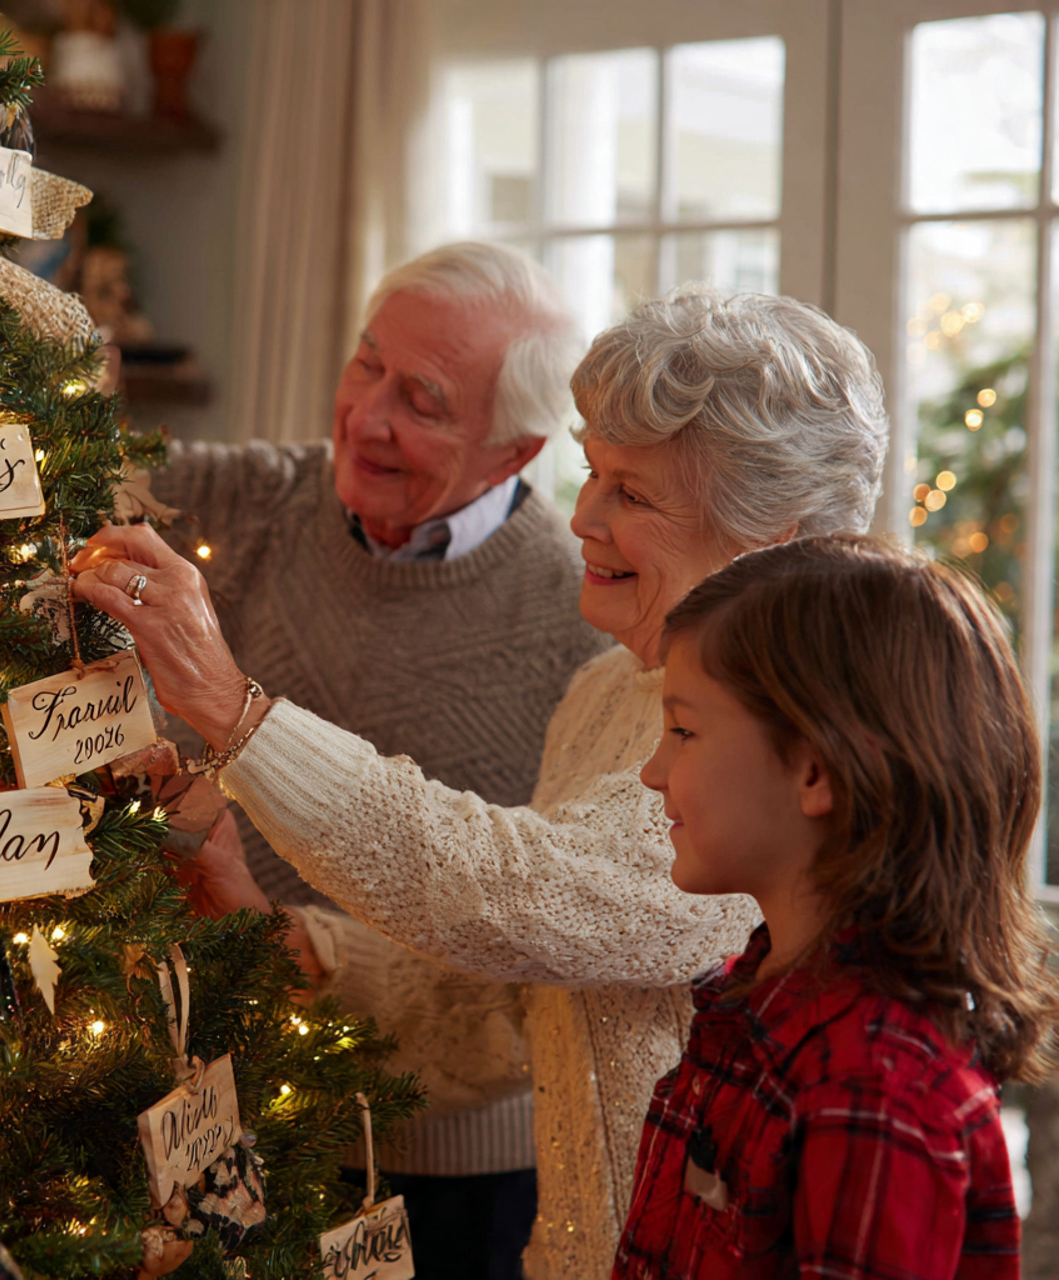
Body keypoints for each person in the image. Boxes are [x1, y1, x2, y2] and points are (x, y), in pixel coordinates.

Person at [71, 287, 890, 1278]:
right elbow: (505, 1005)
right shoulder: (604, 692)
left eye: (633, 496)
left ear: (773, 529)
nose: (581, 516)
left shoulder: (796, 735)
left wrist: (235, 712)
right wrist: (281, 937)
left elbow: (527, 890)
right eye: (593, 474)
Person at [146, 242, 612, 1280]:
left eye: (422, 400)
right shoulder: (262, 500)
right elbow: (86, 470)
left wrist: (301, 957)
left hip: (447, 1162)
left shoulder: (580, 624)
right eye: (366, 363)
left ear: (512, 450)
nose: (365, 416)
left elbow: (534, 938)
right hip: (220, 1108)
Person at [619, 535, 1059, 1278]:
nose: (652, 772)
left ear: (816, 771)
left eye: (684, 731)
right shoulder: (756, 1007)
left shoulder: (874, 1089)